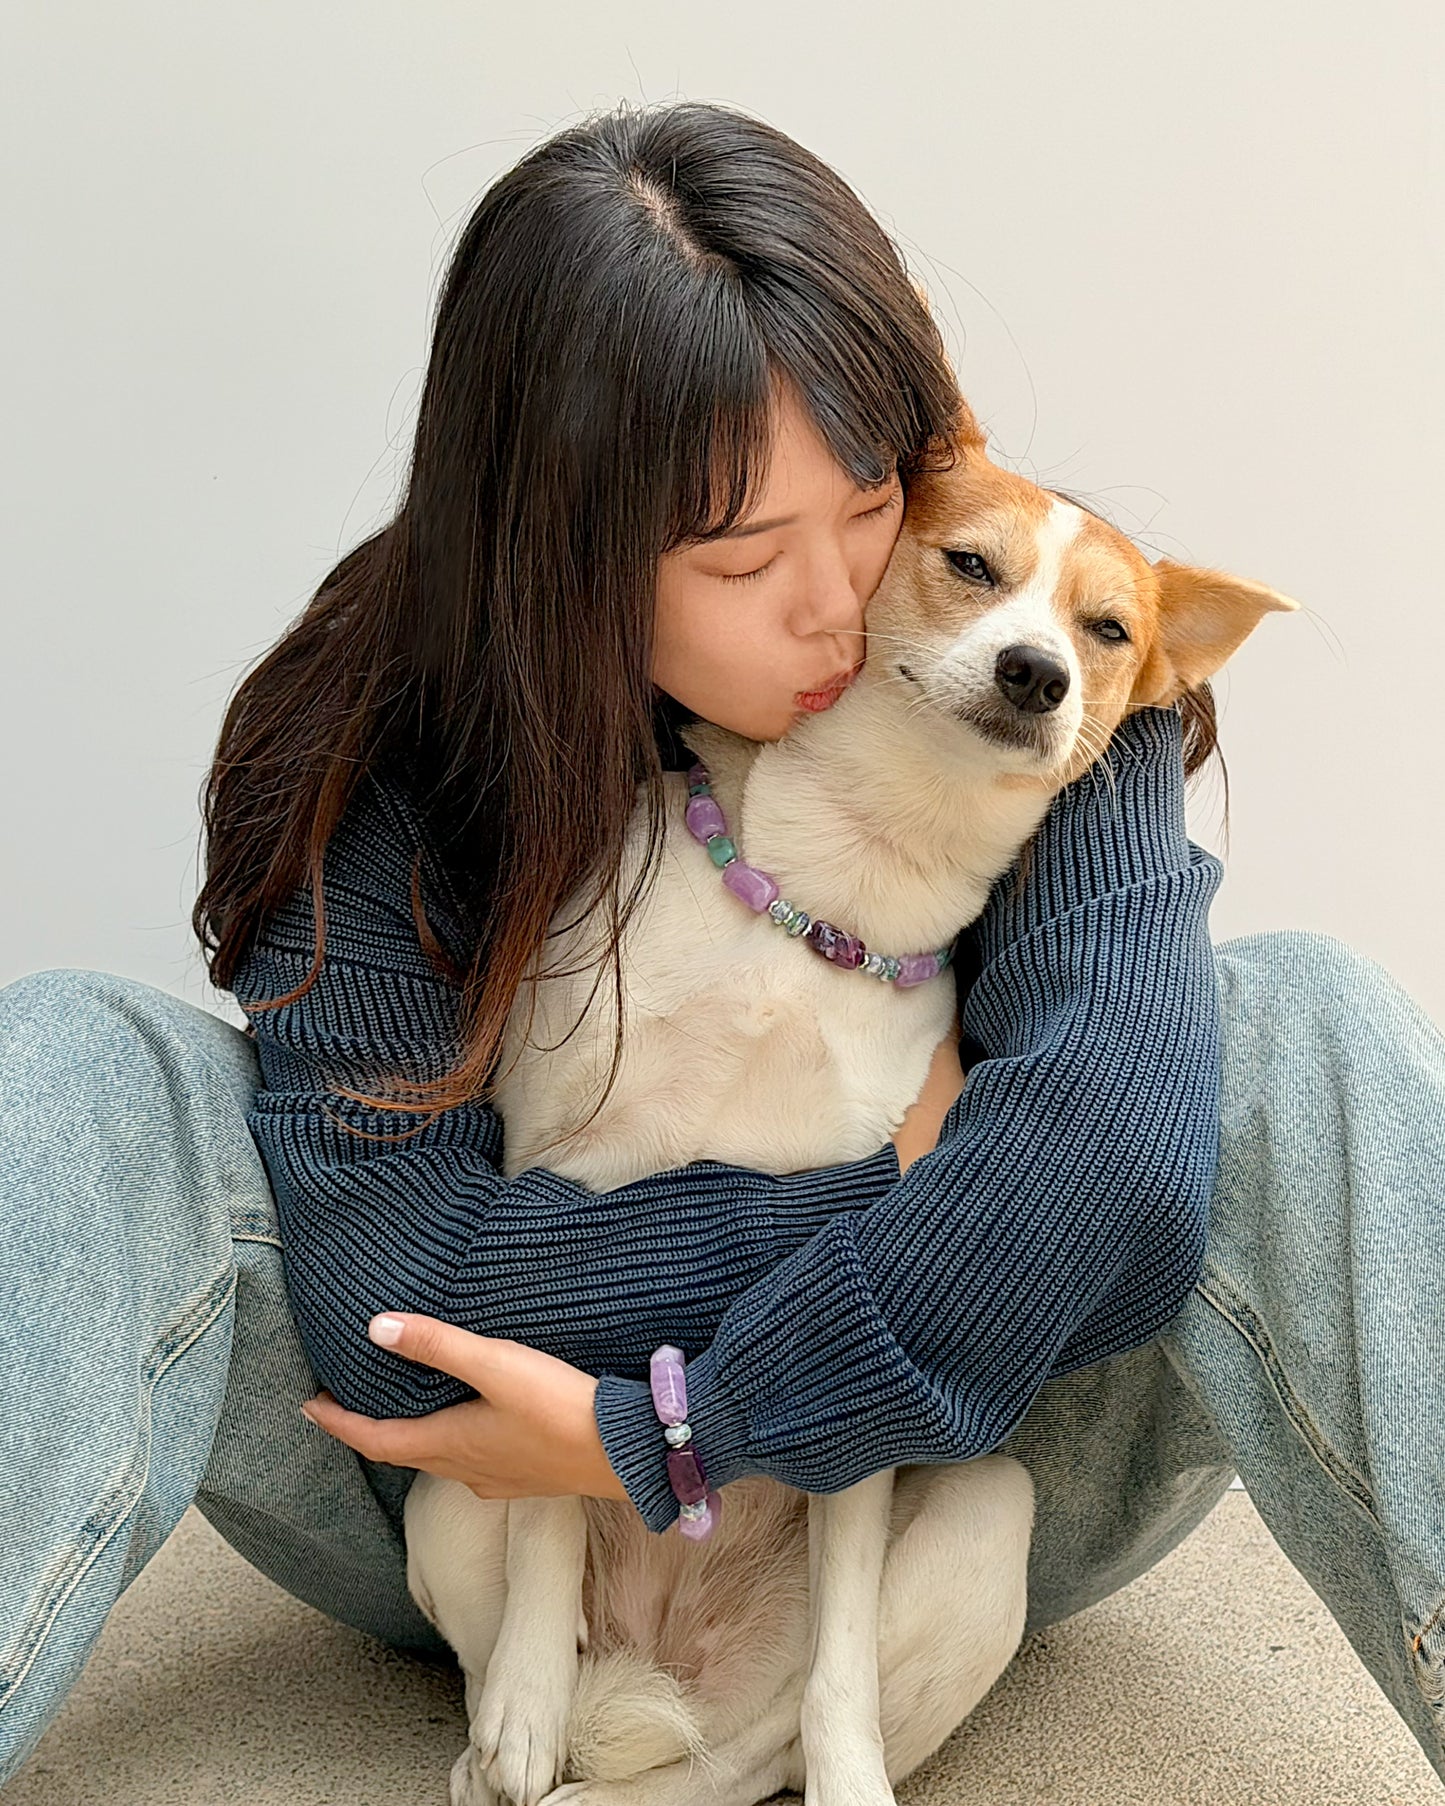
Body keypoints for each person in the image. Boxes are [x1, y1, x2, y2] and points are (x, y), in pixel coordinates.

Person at [1, 98, 1440, 1792]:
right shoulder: (387, 727)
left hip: (941, 1466)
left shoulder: (1036, 664)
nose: (841, 602)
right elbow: (400, 1294)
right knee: (83, 1060)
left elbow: (1113, 1185)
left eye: (867, 510)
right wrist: (902, 1203)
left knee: (1290, 1030)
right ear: (563, 545)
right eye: (743, 553)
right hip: (456, 1481)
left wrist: (684, 1423)